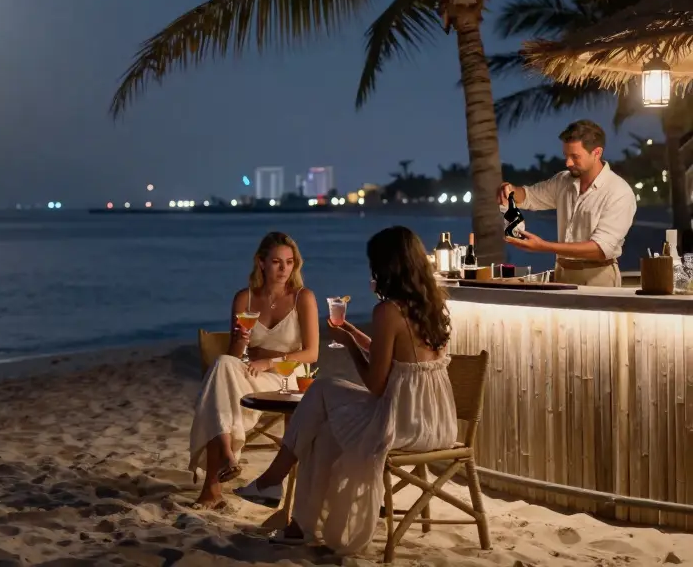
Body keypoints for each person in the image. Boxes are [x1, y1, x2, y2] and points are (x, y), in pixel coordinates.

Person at [233, 226, 457, 555]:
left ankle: (273, 478)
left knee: (322, 389)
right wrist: (356, 333)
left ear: (387, 266)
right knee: (323, 434)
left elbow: (377, 386)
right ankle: (300, 527)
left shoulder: (388, 311)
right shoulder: (432, 304)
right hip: (437, 422)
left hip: (403, 423)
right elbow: (405, 359)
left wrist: (349, 344)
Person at [188, 231, 319, 510]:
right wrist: (241, 341)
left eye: (289, 262)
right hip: (250, 373)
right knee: (223, 365)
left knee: (218, 388)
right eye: (276, 262)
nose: (284, 269)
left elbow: (312, 353)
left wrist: (269, 362)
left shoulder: (302, 298)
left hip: (287, 375)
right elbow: (236, 356)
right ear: (261, 263)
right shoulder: (244, 299)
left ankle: (213, 483)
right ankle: (225, 454)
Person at [498, 119, 636, 287]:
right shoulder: (563, 181)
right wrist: (511, 190)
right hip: (562, 273)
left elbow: (601, 249)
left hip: (599, 277)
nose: (568, 163)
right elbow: (528, 196)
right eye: (566, 155)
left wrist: (544, 246)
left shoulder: (618, 191)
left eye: (575, 156)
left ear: (597, 153)